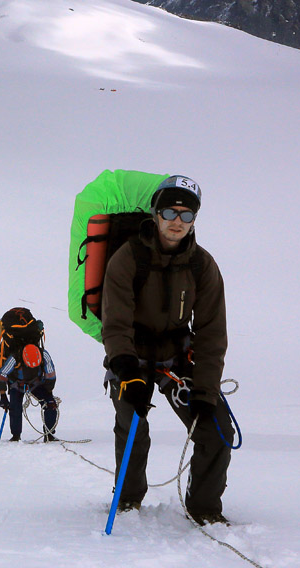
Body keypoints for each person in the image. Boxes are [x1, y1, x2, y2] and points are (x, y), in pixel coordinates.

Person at [100, 175, 234, 525]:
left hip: (176, 359)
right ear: (156, 214)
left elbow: (211, 332)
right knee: (131, 423)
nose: (178, 221)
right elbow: (115, 324)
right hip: (132, 356)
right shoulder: (126, 258)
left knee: (217, 428)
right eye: (171, 212)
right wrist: (128, 373)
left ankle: (203, 508)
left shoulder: (202, 266)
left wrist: (205, 390)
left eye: (187, 215)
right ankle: (128, 500)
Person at [0, 342, 59, 442]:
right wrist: (3, 396)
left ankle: (49, 434)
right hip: (17, 385)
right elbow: (1, 376)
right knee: (15, 409)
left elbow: (50, 376)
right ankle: (16, 436)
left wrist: (49, 395)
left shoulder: (44, 355)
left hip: (36, 383)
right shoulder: (14, 358)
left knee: (51, 405)